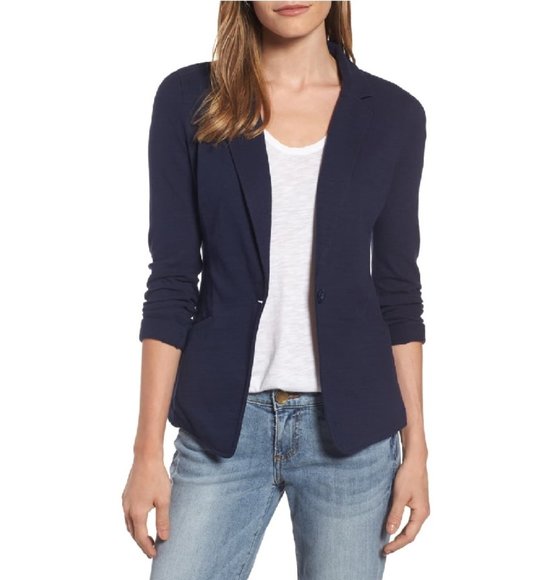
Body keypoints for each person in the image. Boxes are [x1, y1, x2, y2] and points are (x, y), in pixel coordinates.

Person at [122, 2, 430, 579]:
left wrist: (417, 451)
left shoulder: (393, 114)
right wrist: (146, 454)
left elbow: (397, 294)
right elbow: (171, 284)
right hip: (222, 428)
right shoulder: (191, 99)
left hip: (353, 439)